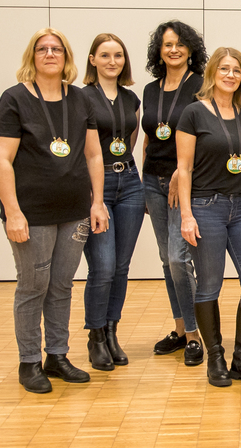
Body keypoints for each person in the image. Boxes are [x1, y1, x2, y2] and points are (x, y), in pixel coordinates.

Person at [0, 28, 109, 393]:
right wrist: (13, 212)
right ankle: (29, 362)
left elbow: (94, 154)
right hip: (32, 214)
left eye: (56, 48)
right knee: (33, 286)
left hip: (74, 211)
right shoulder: (14, 99)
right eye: (42, 48)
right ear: (32, 56)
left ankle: (57, 356)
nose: (49, 53)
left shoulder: (81, 99)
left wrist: (97, 201)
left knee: (61, 286)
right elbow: (0, 159)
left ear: (67, 57)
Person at [176, 47, 241, 388]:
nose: (231, 75)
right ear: (213, 72)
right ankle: (215, 358)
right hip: (206, 206)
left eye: (237, 70)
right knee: (209, 285)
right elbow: (184, 168)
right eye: (225, 68)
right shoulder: (193, 113)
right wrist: (186, 215)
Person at [141, 20, 207, 365]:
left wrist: (183, 177)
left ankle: (196, 334)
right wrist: (145, 179)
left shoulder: (201, 86)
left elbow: (207, 135)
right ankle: (181, 330)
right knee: (167, 259)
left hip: (183, 180)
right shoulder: (150, 90)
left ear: (191, 49)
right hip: (152, 181)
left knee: (180, 258)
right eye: (167, 44)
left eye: (180, 44)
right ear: (159, 50)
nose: (174, 50)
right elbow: (150, 137)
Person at [81, 33, 146, 371]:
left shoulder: (131, 98)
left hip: (130, 183)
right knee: (103, 266)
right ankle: (95, 335)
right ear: (92, 60)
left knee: (121, 266)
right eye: (104, 55)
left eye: (118, 55)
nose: (112, 61)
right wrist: (94, 194)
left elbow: (130, 143)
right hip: (98, 186)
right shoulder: (81, 98)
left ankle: (111, 331)